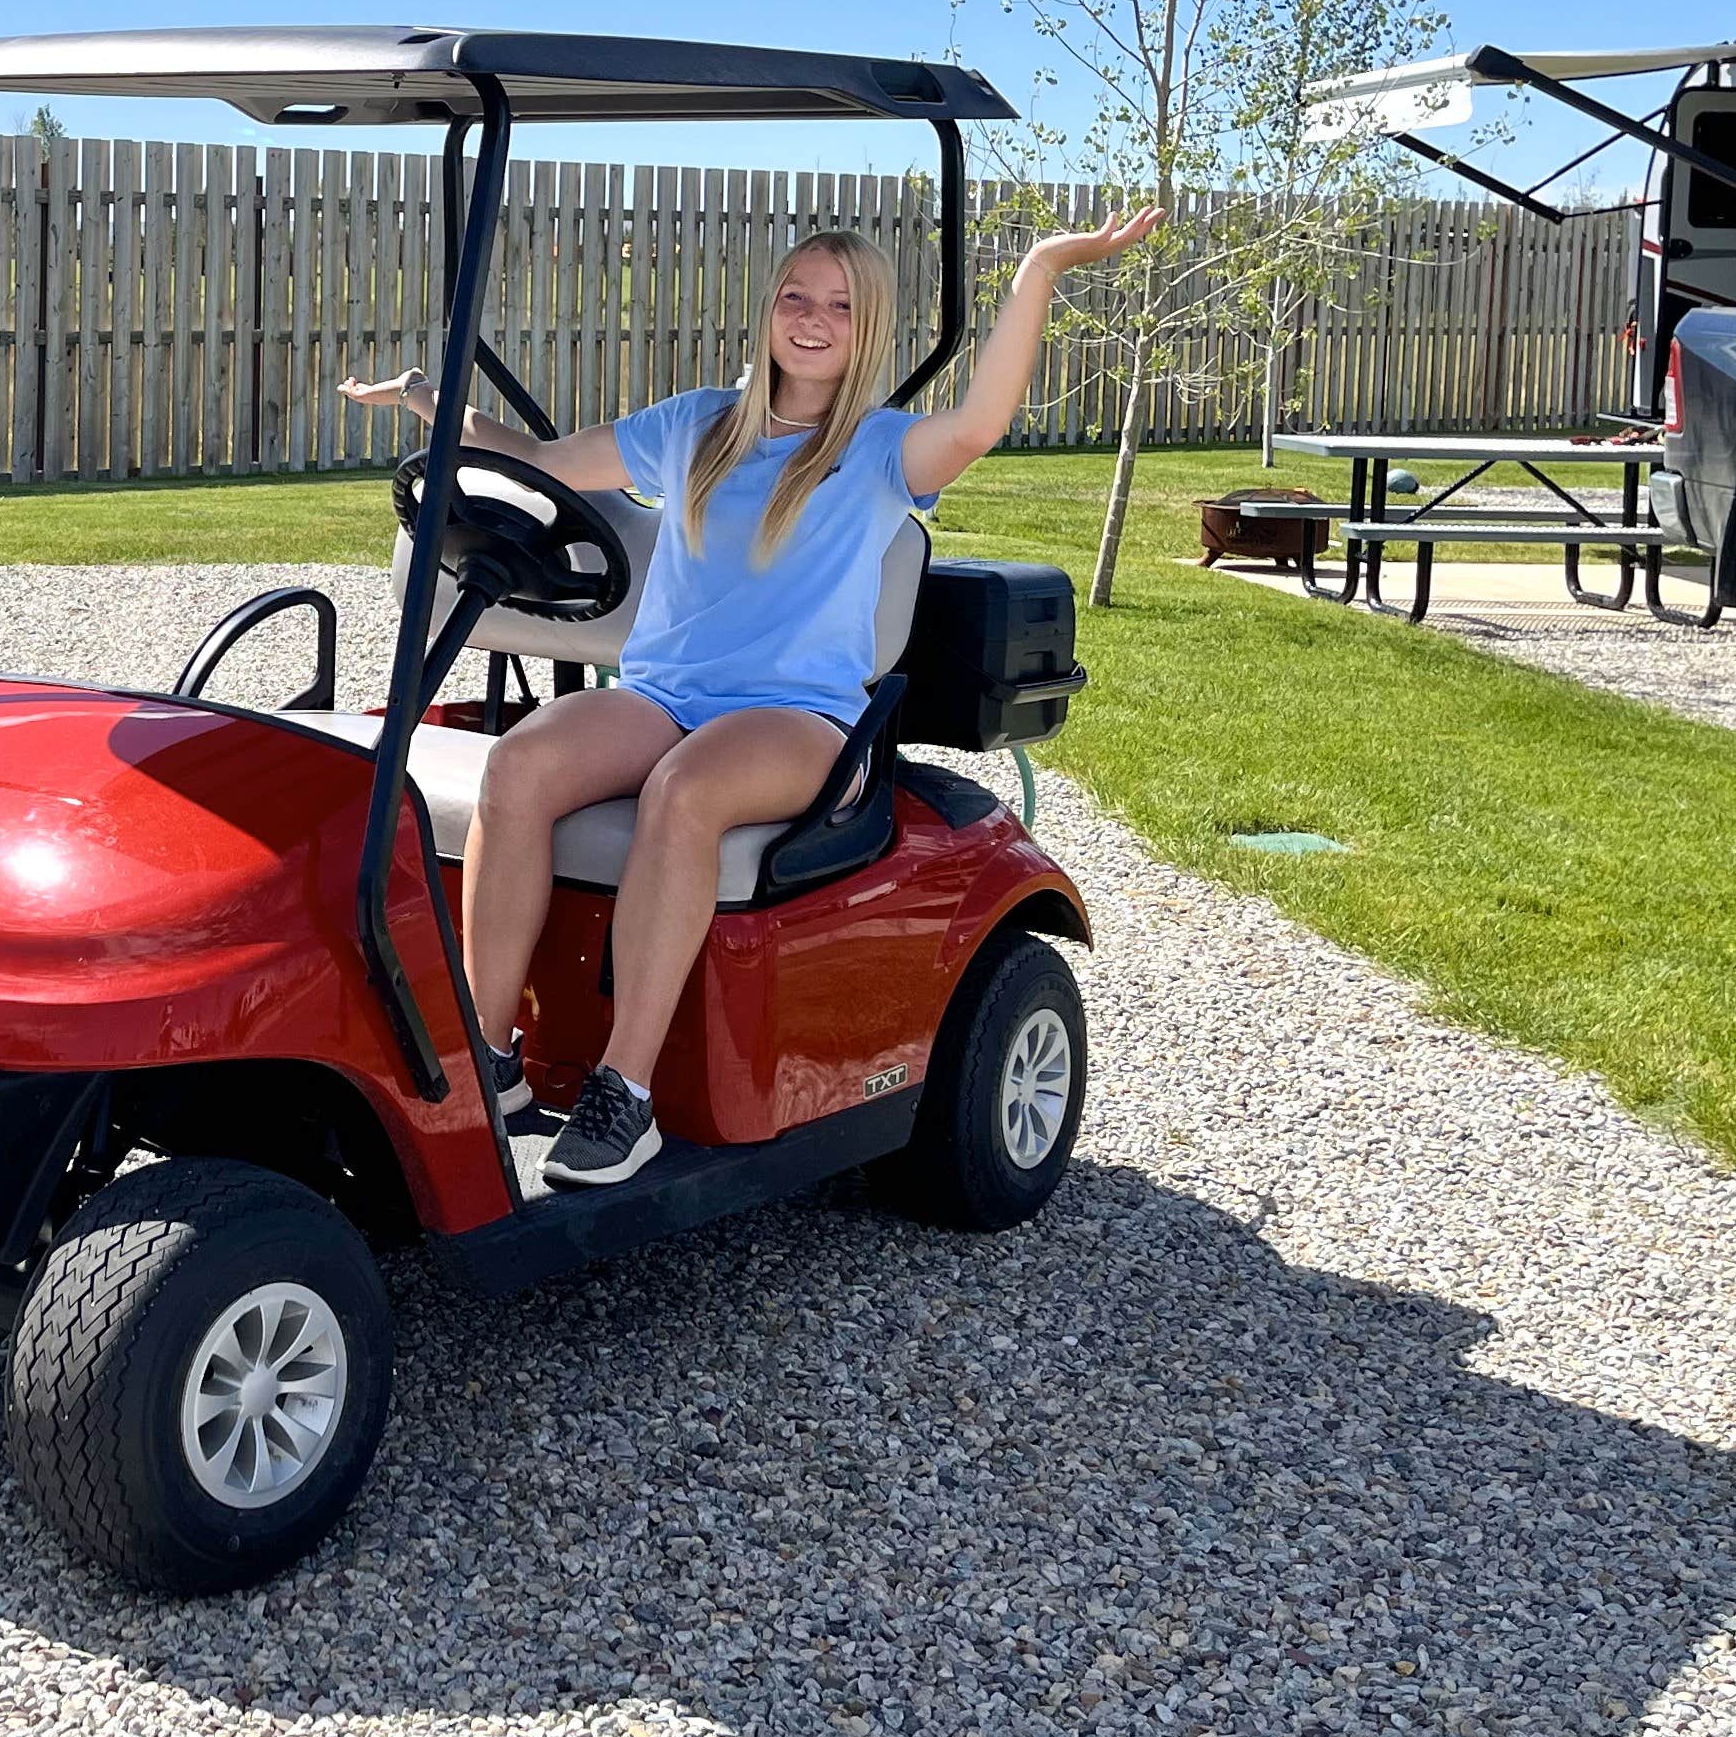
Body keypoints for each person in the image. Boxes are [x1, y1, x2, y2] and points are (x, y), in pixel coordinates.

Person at [342, 207, 1157, 1189]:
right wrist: (430, 402)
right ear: (768, 311)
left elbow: (982, 419)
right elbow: (543, 465)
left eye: (840, 307)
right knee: (520, 764)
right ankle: (490, 1056)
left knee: (684, 791)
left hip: (795, 719)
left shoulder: (880, 450)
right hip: (662, 695)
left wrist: (1037, 269)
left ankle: (624, 1092)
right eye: (794, 298)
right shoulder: (694, 427)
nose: (811, 319)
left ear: (868, 330)